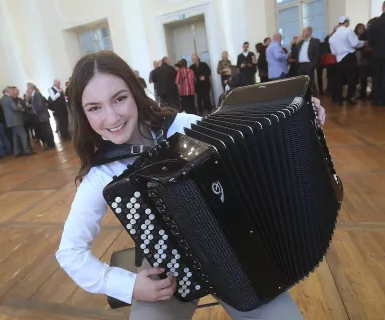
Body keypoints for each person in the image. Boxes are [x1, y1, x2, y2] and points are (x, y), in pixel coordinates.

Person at [55, 50, 326, 320]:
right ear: (83, 114)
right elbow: (70, 253)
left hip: (235, 248)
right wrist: (130, 285)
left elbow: (254, 136)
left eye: (120, 99)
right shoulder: (102, 175)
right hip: (169, 269)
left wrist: (302, 115)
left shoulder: (183, 126)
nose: (112, 118)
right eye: (95, 108)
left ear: (135, 93)